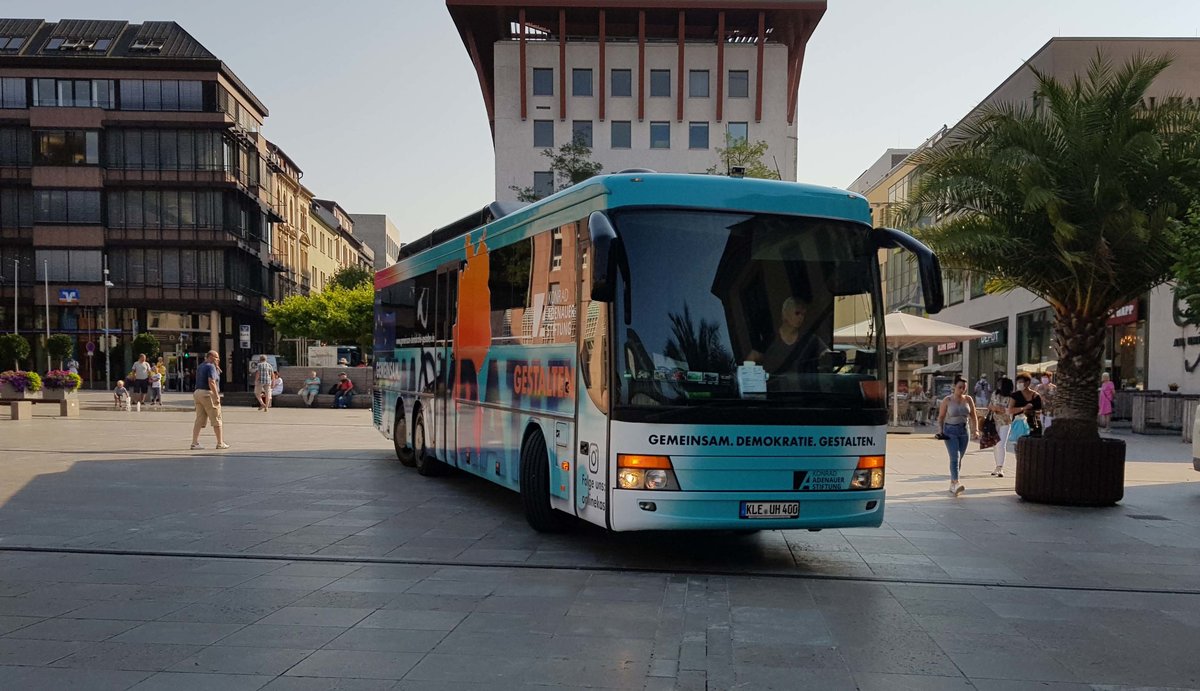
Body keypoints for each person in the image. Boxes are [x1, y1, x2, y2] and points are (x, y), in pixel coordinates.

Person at [747, 296, 828, 375]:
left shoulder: (810, 340)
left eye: (803, 314)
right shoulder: (769, 339)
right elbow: (751, 359)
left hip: (804, 387)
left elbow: (828, 355)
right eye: (797, 313)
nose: (801, 317)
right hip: (777, 387)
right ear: (785, 314)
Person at [937, 378, 978, 496]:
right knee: (955, 456)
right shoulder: (947, 400)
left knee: (960, 458)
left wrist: (976, 430)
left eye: (964, 387)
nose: (962, 390)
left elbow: (973, 416)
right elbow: (941, 417)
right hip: (950, 431)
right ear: (954, 386)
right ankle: (956, 482)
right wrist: (940, 431)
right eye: (960, 387)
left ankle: (952, 482)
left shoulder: (968, 399)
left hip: (964, 430)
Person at [191, 350, 228, 450]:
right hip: (207, 394)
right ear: (211, 357)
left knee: (199, 419)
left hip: (198, 393)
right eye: (216, 358)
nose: (218, 359)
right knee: (216, 418)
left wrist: (217, 368)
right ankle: (220, 443)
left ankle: (194, 443)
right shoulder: (210, 366)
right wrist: (216, 396)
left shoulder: (201, 366)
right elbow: (211, 381)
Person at [987, 377, 1015, 477]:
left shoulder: (1012, 397)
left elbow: (1010, 410)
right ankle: (997, 466)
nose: (999, 385)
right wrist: (993, 408)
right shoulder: (995, 393)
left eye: (1001, 384)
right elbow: (990, 405)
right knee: (995, 444)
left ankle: (1000, 467)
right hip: (994, 421)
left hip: (1005, 422)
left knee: (1001, 443)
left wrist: (1000, 409)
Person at [1010, 373, 1043, 438]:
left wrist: (1031, 412)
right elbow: (1010, 410)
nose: (1018, 385)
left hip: (1033, 424)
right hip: (1019, 424)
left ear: (1027, 383)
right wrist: (1023, 408)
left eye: (1020, 382)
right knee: (1019, 445)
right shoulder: (1015, 395)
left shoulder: (1036, 396)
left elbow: (1039, 411)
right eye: (1018, 383)